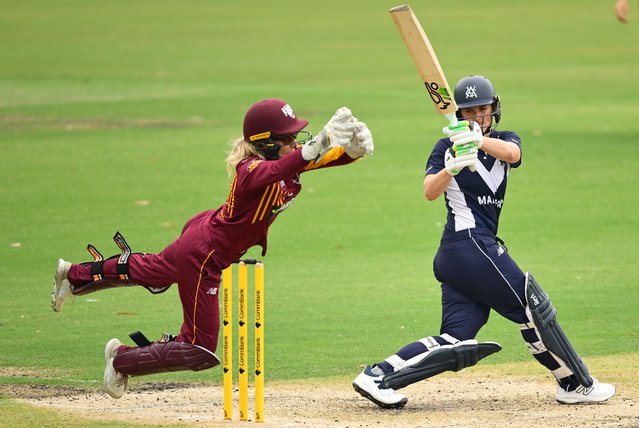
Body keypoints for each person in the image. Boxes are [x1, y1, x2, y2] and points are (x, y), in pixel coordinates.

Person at [51, 98, 374, 399]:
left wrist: (352, 151)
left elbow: (311, 160)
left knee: (153, 273)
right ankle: (120, 360)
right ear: (268, 143)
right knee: (198, 349)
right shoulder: (251, 170)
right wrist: (318, 143)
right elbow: (283, 167)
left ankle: (73, 275)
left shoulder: (284, 159)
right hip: (205, 256)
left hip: (204, 233)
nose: (296, 142)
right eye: (289, 138)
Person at [352, 76, 616, 408]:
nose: (478, 116)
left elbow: (513, 153)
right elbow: (429, 192)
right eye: (470, 112)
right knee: (532, 309)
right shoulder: (445, 148)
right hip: (468, 246)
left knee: (456, 337)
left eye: (483, 109)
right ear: (458, 115)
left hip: (465, 256)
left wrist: (476, 142)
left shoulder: (503, 139)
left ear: (494, 109)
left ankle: (378, 377)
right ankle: (575, 383)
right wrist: (451, 167)